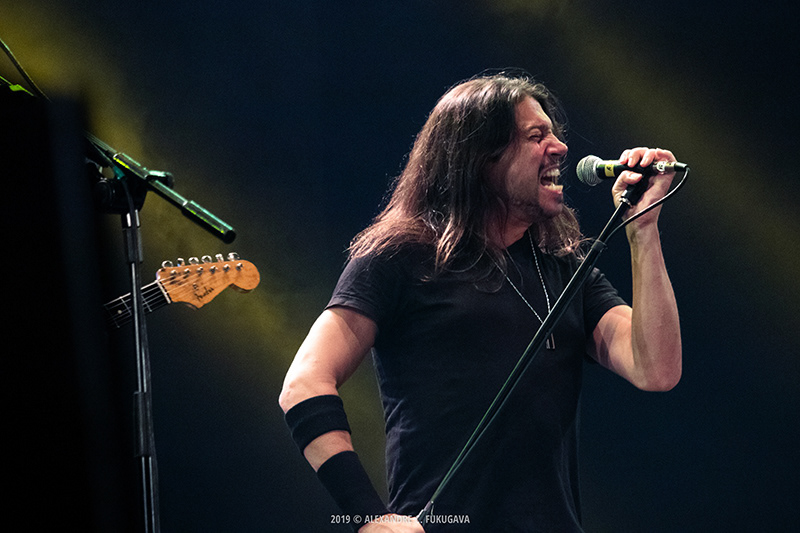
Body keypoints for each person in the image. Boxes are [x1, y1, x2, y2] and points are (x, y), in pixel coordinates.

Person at [279, 72, 682, 532]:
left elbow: (657, 369)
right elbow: (304, 384)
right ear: (481, 157)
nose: (560, 147)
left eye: (553, 133)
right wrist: (367, 517)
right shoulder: (403, 258)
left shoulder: (564, 269)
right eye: (536, 136)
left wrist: (643, 230)